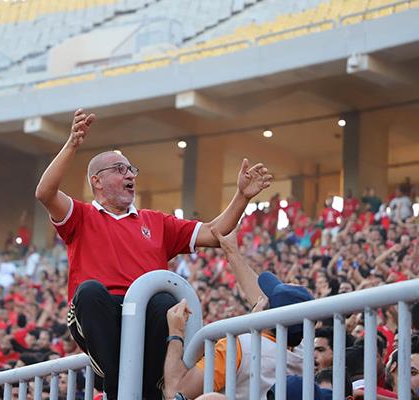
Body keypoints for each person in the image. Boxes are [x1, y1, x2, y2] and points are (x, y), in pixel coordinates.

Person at [35, 108, 273, 399]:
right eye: (119, 169)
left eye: (131, 169)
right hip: (101, 315)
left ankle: (142, 390)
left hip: (146, 317)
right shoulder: (81, 216)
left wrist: (242, 197)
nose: (130, 174)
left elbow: (215, 233)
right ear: (96, 181)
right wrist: (72, 142)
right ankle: (117, 389)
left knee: (163, 300)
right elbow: (45, 193)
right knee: (89, 291)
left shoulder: (156, 221)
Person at [164, 228, 313, 400]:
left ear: (267, 314)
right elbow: (260, 299)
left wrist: (175, 334)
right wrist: (232, 253)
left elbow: (175, 393)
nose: (261, 300)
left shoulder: (238, 347)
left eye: (267, 301)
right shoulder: (304, 352)